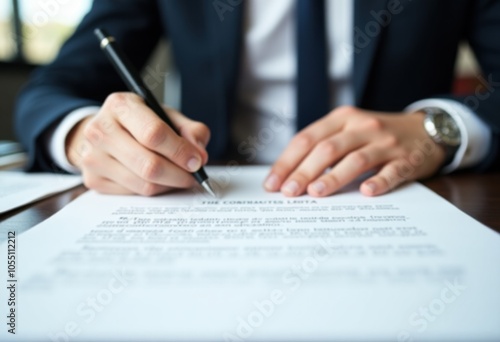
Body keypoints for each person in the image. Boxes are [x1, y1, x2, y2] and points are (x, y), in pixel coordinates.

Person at [15, 0, 500, 198]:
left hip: (393, 194)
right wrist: (86, 136)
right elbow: (53, 89)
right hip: (213, 199)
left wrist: (440, 127)